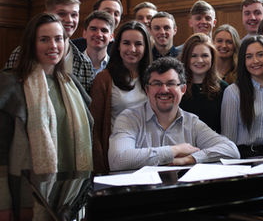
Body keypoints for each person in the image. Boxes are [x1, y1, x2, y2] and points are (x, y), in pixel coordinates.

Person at [0, 13, 93, 219]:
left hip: (68, 197)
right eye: (44, 39)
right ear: (31, 43)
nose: (53, 45)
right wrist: (3, 204)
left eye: (58, 39)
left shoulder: (72, 84)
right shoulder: (11, 84)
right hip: (25, 195)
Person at [108, 57, 240, 170]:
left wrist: (189, 159)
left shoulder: (192, 123)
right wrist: (174, 150)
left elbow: (231, 150)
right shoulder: (129, 119)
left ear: (182, 89)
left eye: (171, 83)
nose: (164, 90)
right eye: (157, 84)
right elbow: (117, 160)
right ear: (147, 90)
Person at [89, 21, 152, 173]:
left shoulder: (153, 78)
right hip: (118, 158)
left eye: (138, 44)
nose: (132, 49)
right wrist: (100, 168)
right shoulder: (104, 79)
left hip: (150, 155)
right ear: (118, 46)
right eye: (126, 43)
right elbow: (94, 129)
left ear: (146, 47)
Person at [5, 0, 94, 92]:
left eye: (74, 15)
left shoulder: (85, 64)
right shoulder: (22, 53)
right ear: (47, 14)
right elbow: (9, 92)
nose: (69, 20)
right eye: (62, 14)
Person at [221, 35, 263, 158]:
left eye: (260, 54)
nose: (255, 61)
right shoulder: (233, 92)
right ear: (243, 61)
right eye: (249, 57)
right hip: (245, 157)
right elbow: (228, 140)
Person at [179, 33, 228, 132]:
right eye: (194, 56)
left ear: (212, 58)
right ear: (186, 58)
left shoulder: (223, 88)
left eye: (205, 55)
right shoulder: (177, 88)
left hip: (214, 145)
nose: (199, 60)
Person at [82, 11, 115, 76]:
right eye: (93, 29)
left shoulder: (116, 68)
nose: (99, 34)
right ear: (84, 33)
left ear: (111, 37)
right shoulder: (71, 64)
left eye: (104, 30)